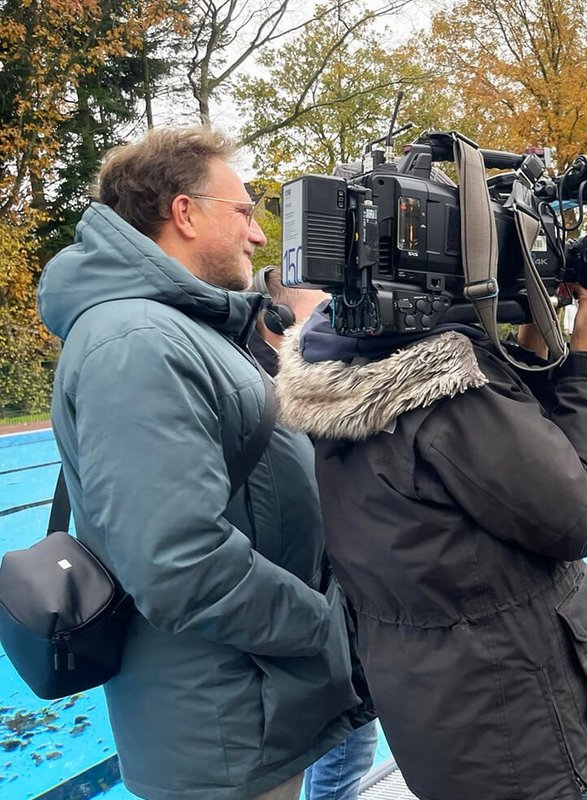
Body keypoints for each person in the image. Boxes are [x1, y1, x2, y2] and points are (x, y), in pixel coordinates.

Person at [36, 127, 361, 800]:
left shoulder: (177, 329)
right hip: (221, 731)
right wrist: (322, 628)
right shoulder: (136, 343)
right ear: (184, 213)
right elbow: (176, 559)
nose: (258, 236)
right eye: (243, 212)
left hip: (249, 707)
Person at [273, 260, 587, 800]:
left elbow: (515, 461)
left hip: (443, 716)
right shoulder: (449, 395)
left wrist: (530, 341)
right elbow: (576, 518)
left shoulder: (354, 362)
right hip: (517, 729)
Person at [247, 266, 380, 800]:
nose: (335, 324)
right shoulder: (268, 397)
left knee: (350, 752)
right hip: (313, 626)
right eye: (322, 311)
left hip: (334, 620)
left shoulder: (299, 383)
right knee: (342, 762)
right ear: (276, 322)